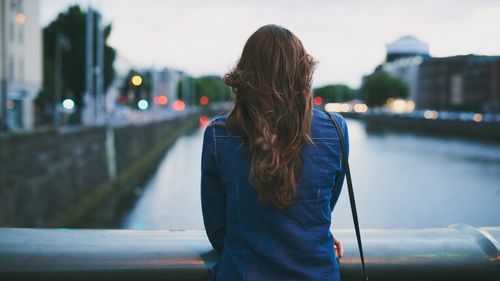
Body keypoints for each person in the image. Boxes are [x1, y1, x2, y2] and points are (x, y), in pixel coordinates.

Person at [201, 24, 349, 281]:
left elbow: (217, 230)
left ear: (245, 74)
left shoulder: (220, 134)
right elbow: (323, 205)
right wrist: (310, 237)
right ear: (304, 72)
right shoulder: (336, 129)